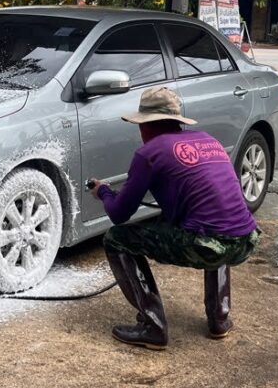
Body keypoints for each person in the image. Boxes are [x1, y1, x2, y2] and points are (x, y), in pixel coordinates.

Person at [88, 87, 259, 350]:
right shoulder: (207, 141)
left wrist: (104, 192)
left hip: (207, 246)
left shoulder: (149, 153)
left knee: (117, 239)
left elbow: (119, 215)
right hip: (245, 240)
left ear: (146, 125)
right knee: (214, 225)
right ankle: (219, 319)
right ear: (177, 122)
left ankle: (152, 325)